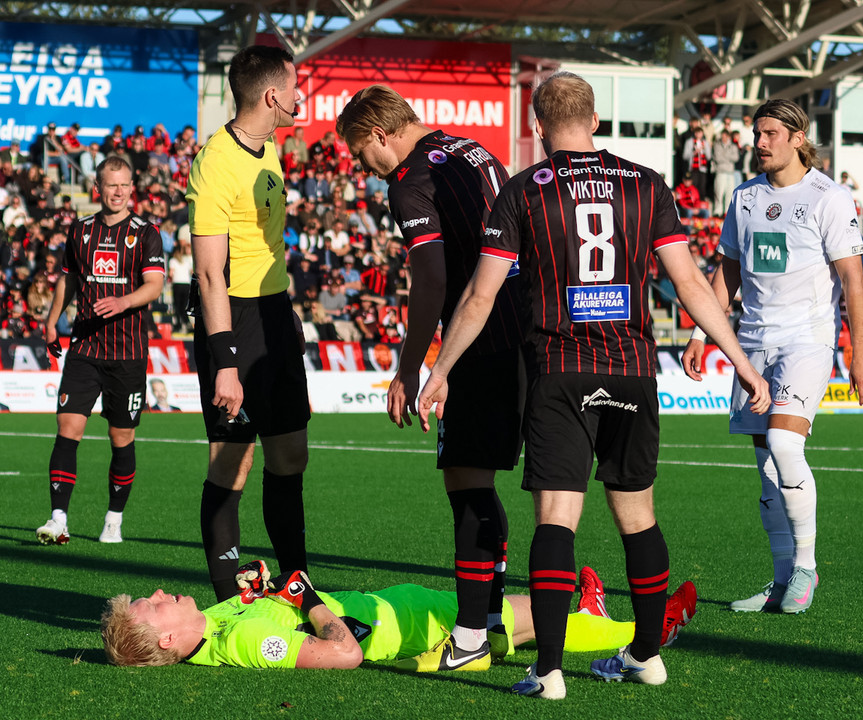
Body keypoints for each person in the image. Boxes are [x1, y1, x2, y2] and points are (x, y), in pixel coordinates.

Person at [416, 71, 770, 697]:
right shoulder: (647, 183)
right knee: (639, 517)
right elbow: (691, 283)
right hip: (631, 370)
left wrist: (440, 370)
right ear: (596, 121)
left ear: (537, 125)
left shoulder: (524, 190)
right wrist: (741, 361)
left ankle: (548, 672)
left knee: (557, 519)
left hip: (560, 371)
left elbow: (479, 295)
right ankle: (646, 655)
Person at [337, 85, 526, 673]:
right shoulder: (474, 150)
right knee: (486, 482)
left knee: (465, 482)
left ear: (379, 134)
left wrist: (410, 364)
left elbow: (433, 279)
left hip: (480, 341)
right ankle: (490, 622)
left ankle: (469, 639)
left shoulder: (410, 179)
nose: (361, 167)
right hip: (527, 329)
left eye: (360, 152)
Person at [682, 99, 863, 615]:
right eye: (757, 133)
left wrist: (861, 353)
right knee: (767, 468)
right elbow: (726, 271)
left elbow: (853, 281)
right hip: (752, 342)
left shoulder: (828, 197)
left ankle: (807, 568)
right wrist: (702, 333)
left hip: (807, 340)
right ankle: (781, 578)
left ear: (797, 137)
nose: (760, 142)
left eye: (770, 133)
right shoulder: (744, 197)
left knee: (784, 444)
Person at [185, 44, 312, 603]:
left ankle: (298, 588)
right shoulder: (216, 161)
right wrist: (225, 362)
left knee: (291, 456)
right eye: (294, 87)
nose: (300, 96)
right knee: (231, 464)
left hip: (274, 314)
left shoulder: (269, 148)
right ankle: (225, 604)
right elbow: (209, 273)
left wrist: (285, 314)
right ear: (272, 96)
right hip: (232, 320)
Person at [101, 559, 697, 669]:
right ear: (169, 639)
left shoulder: (215, 621)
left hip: (397, 607)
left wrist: (263, 586)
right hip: (403, 626)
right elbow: (343, 653)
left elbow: (266, 601)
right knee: (525, 614)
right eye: (152, 606)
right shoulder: (244, 644)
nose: (159, 592)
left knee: (521, 619)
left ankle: (591, 615)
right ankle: (650, 629)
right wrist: (306, 598)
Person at [35, 156, 165, 546]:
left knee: (120, 436)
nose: (118, 191)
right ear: (98, 188)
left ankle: (113, 519)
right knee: (67, 427)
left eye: (124, 185)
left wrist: (123, 302)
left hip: (127, 352)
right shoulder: (80, 230)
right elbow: (68, 280)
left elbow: (154, 285)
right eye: (111, 185)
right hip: (85, 347)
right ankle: (58, 519)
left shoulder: (146, 234)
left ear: (132, 188)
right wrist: (51, 321)